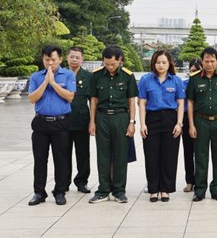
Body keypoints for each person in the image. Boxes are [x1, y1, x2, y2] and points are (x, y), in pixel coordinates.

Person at [88, 46, 138, 203]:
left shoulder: (128, 76)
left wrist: (132, 122)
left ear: (120, 60)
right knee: (103, 155)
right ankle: (103, 190)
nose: (109, 67)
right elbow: (93, 100)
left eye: (112, 64)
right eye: (106, 64)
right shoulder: (96, 75)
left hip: (121, 118)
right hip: (102, 117)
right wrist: (92, 121)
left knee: (120, 155)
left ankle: (119, 190)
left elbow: (131, 100)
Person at [27, 45, 76, 206]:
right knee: (40, 159)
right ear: (43, 59)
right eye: (47, 60)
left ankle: (60, 191)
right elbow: (32, 98)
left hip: (60, 122)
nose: (50, 63)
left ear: (60, 59)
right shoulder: (36, 76)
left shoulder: (68, 75)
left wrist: (53, 83)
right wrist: (45, 82)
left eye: (53, 60)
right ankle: (39, 192)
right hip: (40, 122)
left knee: (61, 159)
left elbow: (70, 96)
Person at [187, 46, 217, 202]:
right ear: (202, 61)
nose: (209, 64)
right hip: (201, 121)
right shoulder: (195, 78)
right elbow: (191, 102)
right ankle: (200, 189)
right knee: (201, 156)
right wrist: (191, 125)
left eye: (212, 61)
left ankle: (216, 188)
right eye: (206, 61)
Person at [138, 50, 185, 202]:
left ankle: (165, 189)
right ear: (153, 63)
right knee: (151, 155)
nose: (161, 65)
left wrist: (179, 123)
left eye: (164, 62)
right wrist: (143, 124)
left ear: (169, 63)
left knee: (169, 155)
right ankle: (153, 189)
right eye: (158, 62)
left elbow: (180, 102)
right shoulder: (146, 79)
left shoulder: (176, 80)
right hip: (152, 119)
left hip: (170, 119)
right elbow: (142, 102)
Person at [65, 46, 92, 194]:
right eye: (72, 57)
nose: (74, 60)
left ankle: (82, 181)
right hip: (63, 120)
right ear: (67, 58)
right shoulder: (60, 74)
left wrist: (92, 121)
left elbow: (92, 100)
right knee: (64, 153)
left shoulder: (88, 76)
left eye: (78, 57)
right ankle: (64, 181)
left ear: (82, 59)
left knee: (83, 154)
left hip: (82, 121)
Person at [181, 58, 201, 193]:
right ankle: (189, 181)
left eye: (197, 71)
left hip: (201, 119)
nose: (194, 74)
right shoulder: (183, 84)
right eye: (192, 71)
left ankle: (200, 180)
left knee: (201, 152)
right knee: (188, 151)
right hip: (186, 119)